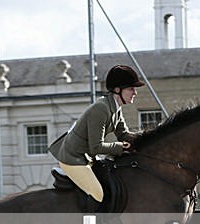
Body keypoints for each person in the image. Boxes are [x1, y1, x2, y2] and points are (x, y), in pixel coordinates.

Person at [48, 64, 145, 202]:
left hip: (87, 157)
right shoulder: (101, 109)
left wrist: (146, 139)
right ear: (117, 90)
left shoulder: (116, 108)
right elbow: (96, 147)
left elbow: (124, 134)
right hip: (73, 158)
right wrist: (120, 147)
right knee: (98, 195)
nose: (135, 92)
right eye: (131, 88)